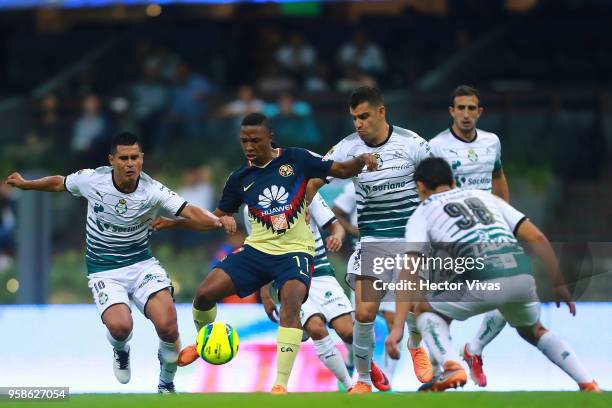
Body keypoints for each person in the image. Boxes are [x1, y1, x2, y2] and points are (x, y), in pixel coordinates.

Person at [152, 112, 377, 394]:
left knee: (292, 304)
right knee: (204, 294)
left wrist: (361, 161)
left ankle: (280, 385)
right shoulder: (240, 178)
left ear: (269, 138)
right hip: (257, 251)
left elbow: (341, 170)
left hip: (296, 252)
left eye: (255, 140)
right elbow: (215, 217)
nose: (248, 146)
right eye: (244, 140)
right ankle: (203, 340)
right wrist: (176, 222)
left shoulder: (296, 158)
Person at [5, 132, 224, 393]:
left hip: (142, 265)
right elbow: (59, 183)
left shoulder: (152, 190)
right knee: (121, 328)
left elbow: (192, 211)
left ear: (142, 159)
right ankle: (121, 350)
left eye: (135, 157)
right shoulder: (92, 180)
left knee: (167, 327)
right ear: (112, 160)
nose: (130, 163)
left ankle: (166, 383)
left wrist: (210, 220)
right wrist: (27, 184)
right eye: (124, 158)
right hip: (104, 270)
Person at [385, 157, 601, 393]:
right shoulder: (486, 198)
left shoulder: (422, 212)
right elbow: (537, 237)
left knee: (424, 310)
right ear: (453, 181)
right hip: (520, 273)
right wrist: (560, 283)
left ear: (420, 187)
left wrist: (397, 327)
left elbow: (410, 269)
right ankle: (588, 382)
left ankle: (452, 366)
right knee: (535, 330)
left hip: (481, 276)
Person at [308, 86, 433, 393]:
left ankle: (416, 346)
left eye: (364, 116)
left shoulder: (413, 143)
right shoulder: (347, 148)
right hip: (373, 241)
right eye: (354, 118)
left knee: (416, 308)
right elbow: (312, 182)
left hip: (411, 242)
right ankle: (363, 380)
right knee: (364, 314)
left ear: (381, 112)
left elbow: (438, 184)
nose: (359, 124)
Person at [428, 85, 509, 387]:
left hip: (486, 235)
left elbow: (498, 176)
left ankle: (474, 349)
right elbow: (425, 189)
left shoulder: (492, 142)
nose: (465, 114)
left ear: (479, 112)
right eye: (459, 108)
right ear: (451, 111)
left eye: (471, 108)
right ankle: (442, 372)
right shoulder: (436, 146)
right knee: (438, 311)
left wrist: (505, 220)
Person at [332, 180, 401, 383]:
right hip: (364, 258)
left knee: (393, 320)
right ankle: (353, 365)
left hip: (394, 258)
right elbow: (336, 211)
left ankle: (388, 380)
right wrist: (353, 230)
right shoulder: (356, 186)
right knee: (361, 322)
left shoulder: (402, 184)